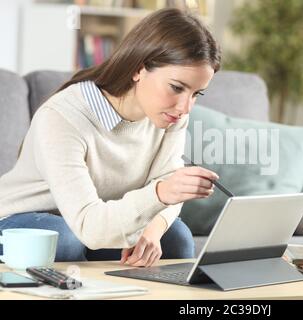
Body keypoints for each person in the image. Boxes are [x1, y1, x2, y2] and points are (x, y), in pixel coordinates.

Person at [0, 8, 221, 267]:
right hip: (23, 222)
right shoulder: (63, 116)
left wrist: (152, 230)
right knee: (64, 241)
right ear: (139, 69)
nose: (185, 107)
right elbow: (90, 225)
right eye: (176, 87)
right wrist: (160, 193)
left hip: (100, 224)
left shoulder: (171, 115)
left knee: (176, 239)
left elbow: (166, 184)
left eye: (197, 94)